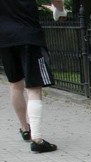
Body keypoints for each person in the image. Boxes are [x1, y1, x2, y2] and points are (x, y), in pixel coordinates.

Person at [0, 0, 66, 153]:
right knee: (34, 87)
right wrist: (60, 9)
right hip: (28, 36)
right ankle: (37, 139)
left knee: (15, 84)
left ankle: (24, 128)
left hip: (4, 39)